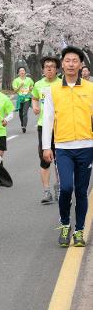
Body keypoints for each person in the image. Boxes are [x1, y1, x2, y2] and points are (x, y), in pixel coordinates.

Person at [42, 46, 93, 247]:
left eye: (75, 61)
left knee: (81, 191)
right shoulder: (53, 90)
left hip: (86, 146)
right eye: (67, 61)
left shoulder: (90, 88)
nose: (71, 64)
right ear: (61, 64)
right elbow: (47, 119)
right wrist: (47, 147)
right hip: (63, 147)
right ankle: (65, 224)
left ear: (81, 65)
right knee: (66, 188)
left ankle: (79, 230)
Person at [32, 57, 61, 204]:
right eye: (46, 66)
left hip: (60, 126)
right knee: (45, 159)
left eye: (52, 66)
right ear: (43, 69)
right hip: (43, 126)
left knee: (60, 160)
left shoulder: (62, 84)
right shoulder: (38, 84)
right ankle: (46, 191)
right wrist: (35, 106)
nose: (49, 69)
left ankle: (59, 187)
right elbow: (34, 97)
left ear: (57, 69)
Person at [12, 67, 34, 133]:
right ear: (18, 73)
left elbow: (32, 86)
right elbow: (15, 91)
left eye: (23, 70)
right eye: (20, 71)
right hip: (20, 98)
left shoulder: (29, 79)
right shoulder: (16, 80)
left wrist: (31, 88)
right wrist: (20, 86)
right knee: (20, 113)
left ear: (25, 72)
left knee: (25, 113)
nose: (22, 72)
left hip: (27, 97)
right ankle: (22, 124)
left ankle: (24, 126)